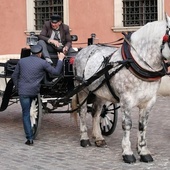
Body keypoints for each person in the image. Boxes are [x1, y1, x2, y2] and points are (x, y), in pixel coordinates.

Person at [12, 44, 65, 145]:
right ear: (40, 54)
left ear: (32, 52)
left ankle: (29, 138)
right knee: (30, 111)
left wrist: (18, 88)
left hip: (23, 91)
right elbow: (56, 72)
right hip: (34, 91)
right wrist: (60, 59)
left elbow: (15, 76)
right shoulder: (42, 63)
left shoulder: (22, 61)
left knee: (26, 114)